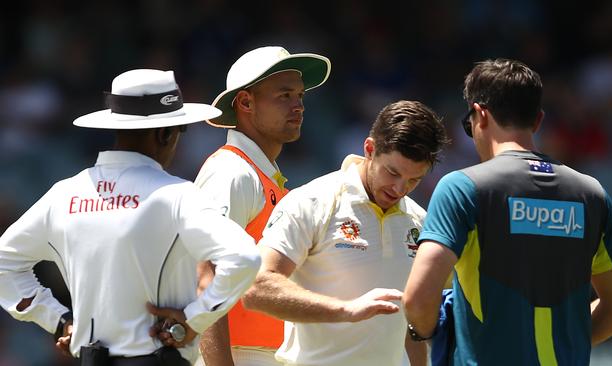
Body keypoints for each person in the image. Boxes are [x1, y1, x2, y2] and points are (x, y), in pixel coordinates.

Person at [0, 69, 262, 365]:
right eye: (180, 130)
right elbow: (244, 258)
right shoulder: (177, 195)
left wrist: (58, 321)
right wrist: (193, 320)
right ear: (165, 133)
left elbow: (4, 262)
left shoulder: (64, 194)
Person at [403, 59, 612, 365]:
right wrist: (566, 341)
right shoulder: (590, 194)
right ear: (538, 120)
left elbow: (418, 298)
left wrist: (425, 340)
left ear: (480, 115)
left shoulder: (462, 188)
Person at [242, 100, 449, 366]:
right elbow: (256, 288)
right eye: (392, 172)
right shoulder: (312, 201)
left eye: (413, 180)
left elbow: (411, 325)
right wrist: (345, 310)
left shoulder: (420, 221)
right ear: (370, 149)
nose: (399, 189)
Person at [194, 46, 330, 366]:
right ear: (245, 102)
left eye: (300, 96)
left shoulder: (259, 174)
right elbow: (205, 276)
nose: (298, 106)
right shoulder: (232, 171)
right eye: (284, 95)